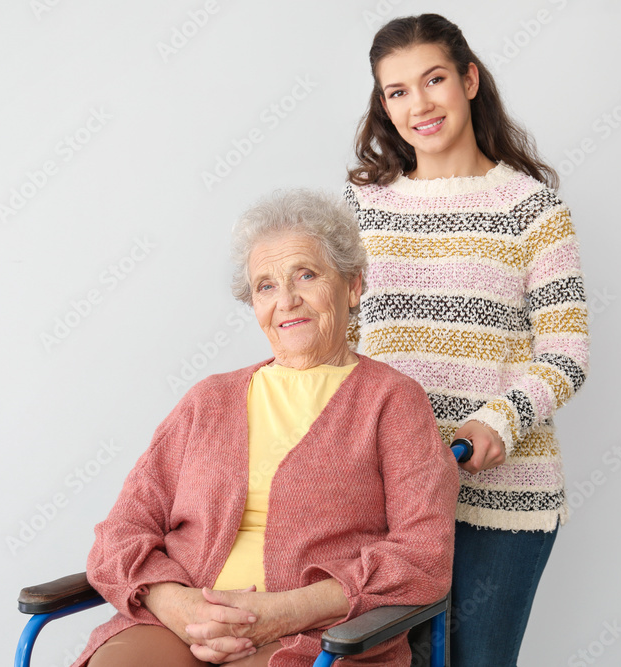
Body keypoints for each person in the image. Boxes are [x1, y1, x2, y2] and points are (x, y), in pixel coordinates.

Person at [72, 189, 460, 667]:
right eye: (266, 286)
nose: (287, 301)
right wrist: (179, 606)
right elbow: (122, 530)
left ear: (353, 285)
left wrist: (284, 611)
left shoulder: (393, 401)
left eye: (306, 275)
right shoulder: (207, 400)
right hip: (179, 625)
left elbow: (423, 557)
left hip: (317, 635)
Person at [343, 14, 590, 666]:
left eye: (433, 80)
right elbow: (342, 343)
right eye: (396, 91)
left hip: (501, 498)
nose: (418, 104)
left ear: (469, 80)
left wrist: (497, 422)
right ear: (383, 103)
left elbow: (566, 352)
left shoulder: (531, 208)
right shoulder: (363, 207)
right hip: (389, 491)